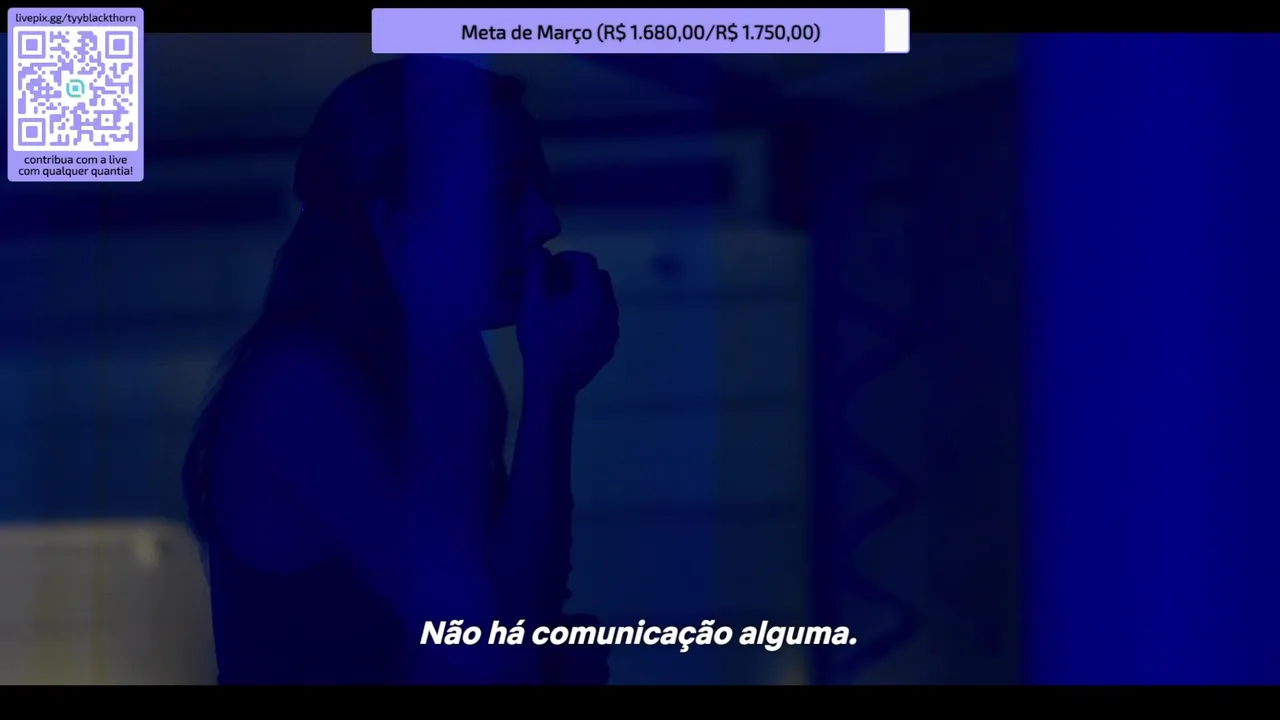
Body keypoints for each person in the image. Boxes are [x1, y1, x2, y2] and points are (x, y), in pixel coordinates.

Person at [181, 56, 619, 685]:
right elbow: (496, 653)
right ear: (394, 222)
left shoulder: (448, 366)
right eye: (505, 194)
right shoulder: (302, 388)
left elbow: (510, 615)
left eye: (538, 190)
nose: (544, 222)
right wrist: (552, 384)